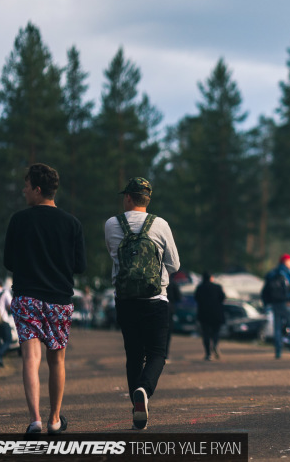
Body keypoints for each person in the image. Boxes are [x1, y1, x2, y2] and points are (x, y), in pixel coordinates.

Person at [4, 163, 87, 436]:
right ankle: (54, 419)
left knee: (30, 358)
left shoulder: (18, 220)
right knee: (57, 360)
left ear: (37, 190)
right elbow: (79, 266)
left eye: (26, 185)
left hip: (27, 297)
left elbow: (8, 262)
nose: (23, 190)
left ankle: (35, 420)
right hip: (59, 299)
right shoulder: (72, 223)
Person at [104, 177, 180, 430]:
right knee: (157, 353)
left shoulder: (111, 224)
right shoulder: (160, 224)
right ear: (147, 199)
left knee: (133, 355)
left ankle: (136, 409)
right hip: (155, 300)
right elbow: (175, 264)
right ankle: (143, 390)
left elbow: (115, 256)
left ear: (128, 197)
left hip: (125, 300)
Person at [262, 254, 290, 359]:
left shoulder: (272, 274)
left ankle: (278, 351)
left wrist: (267, 304)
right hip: (287, 304)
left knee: (277, 328)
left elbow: (265, 292)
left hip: (275, 305)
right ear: (285, 262)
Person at [194, 272, 226, 361]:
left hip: (204, 314)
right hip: (216, 313)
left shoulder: (199, 288)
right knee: (216, 332)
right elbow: (223, 298)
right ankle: (215, 345)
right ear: (211, 278)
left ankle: (208, 354)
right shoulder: (217, 287)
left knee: (206, 334)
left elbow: (196, 299)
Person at [164, 277, 182, 362]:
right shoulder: (172, 283)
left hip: (155, 307)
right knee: (167, 333)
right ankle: (165, 354)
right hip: (169, 308)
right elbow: (179, 297)